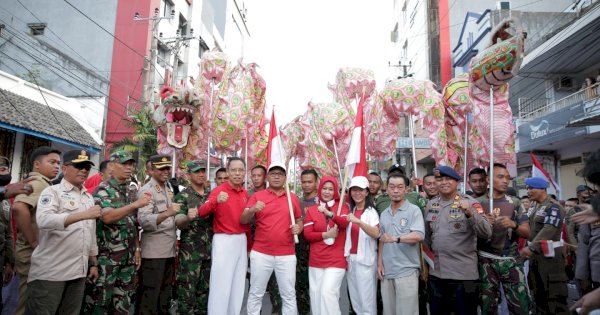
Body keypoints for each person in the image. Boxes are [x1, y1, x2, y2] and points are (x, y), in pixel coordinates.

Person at [25, 149, 101, 314]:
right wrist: (81, 215)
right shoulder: (52, 192)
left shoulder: (88, 197)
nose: (83, 171)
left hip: (78, 272)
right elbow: (44, 220)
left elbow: (90, 232)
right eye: (79, 166)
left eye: (87, 167)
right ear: (64, 168)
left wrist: (93, 263)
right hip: (52, 272)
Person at [84, 151, 149, 314]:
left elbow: (132, 222)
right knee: (100, 301)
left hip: (128, 257)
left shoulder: (129, 190)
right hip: (108, 259)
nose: (129, 168)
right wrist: (134, 205)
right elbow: (107, 217)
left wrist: (137, 249)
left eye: (131, 165)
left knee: (123, 303)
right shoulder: (102, 190)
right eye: (124, 164)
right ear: (111, 166)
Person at [424, 166, 492, 315]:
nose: (444, 182)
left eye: (448, 179)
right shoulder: (431, 204)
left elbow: (486, 233)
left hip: (464, 276)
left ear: (457, 182)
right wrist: (426, 268)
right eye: (440, 179)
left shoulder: (470, 203)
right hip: (437, 274)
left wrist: (470, 213)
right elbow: (427, 238)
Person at [241, 162, 303, 315]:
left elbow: (299, 219)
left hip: (287, 254)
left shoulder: (292, 198)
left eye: (280, 174)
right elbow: (243, 220)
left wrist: (299, 227)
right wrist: (253, 209)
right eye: (273, 173)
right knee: (256, 293)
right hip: (261, 253)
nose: (276, 176)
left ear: (285, 177)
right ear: (267, 177)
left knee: (288, 295)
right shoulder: (257, 196)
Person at [198, 157, 250, 315]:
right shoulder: (219, 191)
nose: (237, 173)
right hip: (223, 240)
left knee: (238, 283)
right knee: (221, 284)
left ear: (244, 172)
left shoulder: (244, 192)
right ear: (228, 172)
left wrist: (250, 246)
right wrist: (216, 201)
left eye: (240, 170)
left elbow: (246, 222)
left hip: (241, 240)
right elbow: (201, 212)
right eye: (233, 170)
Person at [12, 146, 61, 315]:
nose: (57, 166)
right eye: (52, 162)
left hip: (35, 253)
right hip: (31, 252)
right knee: (27, 303)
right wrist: (33, 241)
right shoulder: (38, 183)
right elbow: (19, 208)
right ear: (37, 164)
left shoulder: (46, 183)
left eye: (58, 163)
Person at [477, 163, 530, 315]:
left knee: (521, 307)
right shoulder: (477, 203)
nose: (505, 181)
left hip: (511, 261)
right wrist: (483, 223)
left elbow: (527, 232)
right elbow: (467, 235)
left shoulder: (515, 202)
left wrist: (513, 225)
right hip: (485, 262)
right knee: (488, 306)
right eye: (500, 177)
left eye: (507, 178)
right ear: (488, 179)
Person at [136, 155, 179, 314]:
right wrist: (167, 213)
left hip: (168, 250)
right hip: (153, 253)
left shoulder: (167, 188)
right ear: (152, 170)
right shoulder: (147, 191)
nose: (166, 171)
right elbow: (144, 220)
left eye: (168, 168)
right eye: (161, 168)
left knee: (164, 295)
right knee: (150, 296)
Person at [520, 177, 569, 315]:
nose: (528, 191)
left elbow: (549, 229)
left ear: (542, 189)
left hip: (550, 258)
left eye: (531, 188)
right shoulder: (536, 207)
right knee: (538, 293)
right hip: (536, 257)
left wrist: (530, 248)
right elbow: (530, 230)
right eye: (527, 188)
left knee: (554, 296)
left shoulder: (553, 206)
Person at [377, 174, 424, 315]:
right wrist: (379, 262)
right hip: (387, 272)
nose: (395, 191)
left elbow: (419, 235)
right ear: (387, 190)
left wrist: (396, 238)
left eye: (399, 187)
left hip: (406, 271)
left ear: (406, 190)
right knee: (389, 312)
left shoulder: (414, 210)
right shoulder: (384, 213)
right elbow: (382, 239)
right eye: (392, 187)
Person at [303, 176, 349, 315]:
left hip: (336, 259)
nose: (327, 192)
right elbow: (307, 235)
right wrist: (325, 235)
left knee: (327, 293)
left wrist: (330, 214)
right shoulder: (312, 210)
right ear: (319, 189)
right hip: (316, 259)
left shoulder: (342, 206)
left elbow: (344, 223)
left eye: (331, 189)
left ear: (335, 191)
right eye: (324, 188)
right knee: (316, 296)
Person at [173, 160, 213, 314]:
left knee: (204, 293)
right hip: (190, 254)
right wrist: (188, 218)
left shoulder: (211, 195)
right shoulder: (183, 196)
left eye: (203, 171)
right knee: (187, 293)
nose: (201, 174)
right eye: (197, 171)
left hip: (209, 252)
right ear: (189, 175)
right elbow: (178, 223)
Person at [344, 176, 379, 315]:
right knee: (356, 301)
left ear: (366, 192)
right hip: (351, 260)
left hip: (366, 262)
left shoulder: (371, 212)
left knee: (367, 302)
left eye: (360, 190)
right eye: (354, 190)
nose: (357, 193)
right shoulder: (350, 211)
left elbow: (376, 233)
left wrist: (359, 222)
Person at [296, 169, 319, 314]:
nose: (306, 185)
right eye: (303, 182)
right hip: (299, 251)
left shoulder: (322, 203)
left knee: (319, 289)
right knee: (301, 289)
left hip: (319, 252)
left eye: (309, 182)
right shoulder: (296, 202)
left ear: (316, 182)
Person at [0, 156, 18, 312]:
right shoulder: (5, 195)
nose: (4, 173)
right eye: (0, 170)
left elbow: (8, 234)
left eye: (6, 169)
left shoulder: (6, 202)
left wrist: (10, 263)